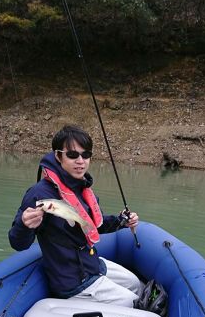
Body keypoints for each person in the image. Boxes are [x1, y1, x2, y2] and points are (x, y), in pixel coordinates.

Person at [8, 125, 144, 307]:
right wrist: (25, 225)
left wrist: (121, 221)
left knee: (135, 284)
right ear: (58, 156)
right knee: (133, 302)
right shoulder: (39, 194)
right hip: (72, 281)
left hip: (91, 264)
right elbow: (18, 243)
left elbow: (95, 225)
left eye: (86, 155)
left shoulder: (82, 188)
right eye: (72, 155)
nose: (80, 161)